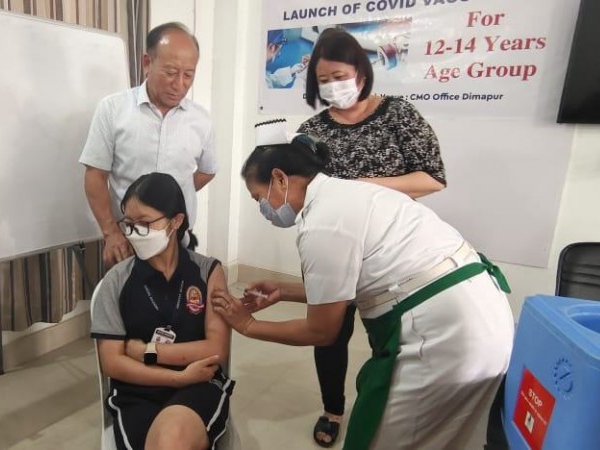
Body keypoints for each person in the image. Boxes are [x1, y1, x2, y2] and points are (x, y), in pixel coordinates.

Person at [212, 126, 513, 450]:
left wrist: (248, 325)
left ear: (281, 179)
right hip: (480, 311)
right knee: (444, 437)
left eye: (259, 197)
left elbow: (321, 332)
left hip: (445, 334)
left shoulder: (322, 223)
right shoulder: (349, 194)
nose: (264, 208)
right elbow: (354, 283)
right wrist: (284, 291)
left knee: (381, 439)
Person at [296, 28, 446, 447]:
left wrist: (363, 185)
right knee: (329, 333)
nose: (332, 87)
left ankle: (389, 406)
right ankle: (332, 409)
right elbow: (303, 189)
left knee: (395, 337)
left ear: (361, 72)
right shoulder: (312, 129)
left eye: (339, 76)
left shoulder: (399, 114)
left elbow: (431, 179)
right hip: (334, 246)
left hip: (391, 250)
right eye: (323, 80)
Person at [90, 173, 234, 450]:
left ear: (175, 222)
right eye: (128, 224)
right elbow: (112, 363)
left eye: (144, 223)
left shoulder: (207, 271)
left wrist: (145, 352)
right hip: (137, 390)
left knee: (171, 439)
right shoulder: (116, 281)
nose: (133, 233)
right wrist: (178, 376)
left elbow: (216, 349)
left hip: (200, 383)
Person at [81, 22, 217, 267]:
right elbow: (95, 175)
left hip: (178, 240)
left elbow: (207, 171)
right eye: (171, 72)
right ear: (147, 63)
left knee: (182, 303)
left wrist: (172, 196)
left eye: (189, 74)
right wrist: (111, 233)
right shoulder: (113, 110)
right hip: (128, 242)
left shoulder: (201, 119)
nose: (180, 84)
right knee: (126, 302)